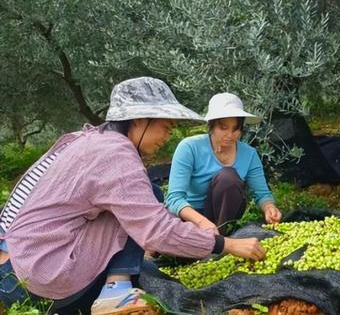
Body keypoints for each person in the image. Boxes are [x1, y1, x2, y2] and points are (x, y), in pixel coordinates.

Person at [0, 77, 265, 314]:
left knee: (146, 195)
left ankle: (117, 281)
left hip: (15, 266)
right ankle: (115, 293)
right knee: (144, 202)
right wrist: (227, 245)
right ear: (139, 120)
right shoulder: (116, 155)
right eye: (166, 127)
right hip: (40, 279)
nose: (168, 136)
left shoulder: (91, 139)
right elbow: (155, 230)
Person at [166, 93, 281, 234]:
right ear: (212, 125)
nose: (230, 135)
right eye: (223, 128)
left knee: (228, 177)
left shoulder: (249, 154)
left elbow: (262, 193)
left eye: (235, 129)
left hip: (224, 218)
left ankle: (222, 237)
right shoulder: (190, 147)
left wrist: (269, 207)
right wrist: (202, 222)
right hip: (190, 215)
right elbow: (174, 198)